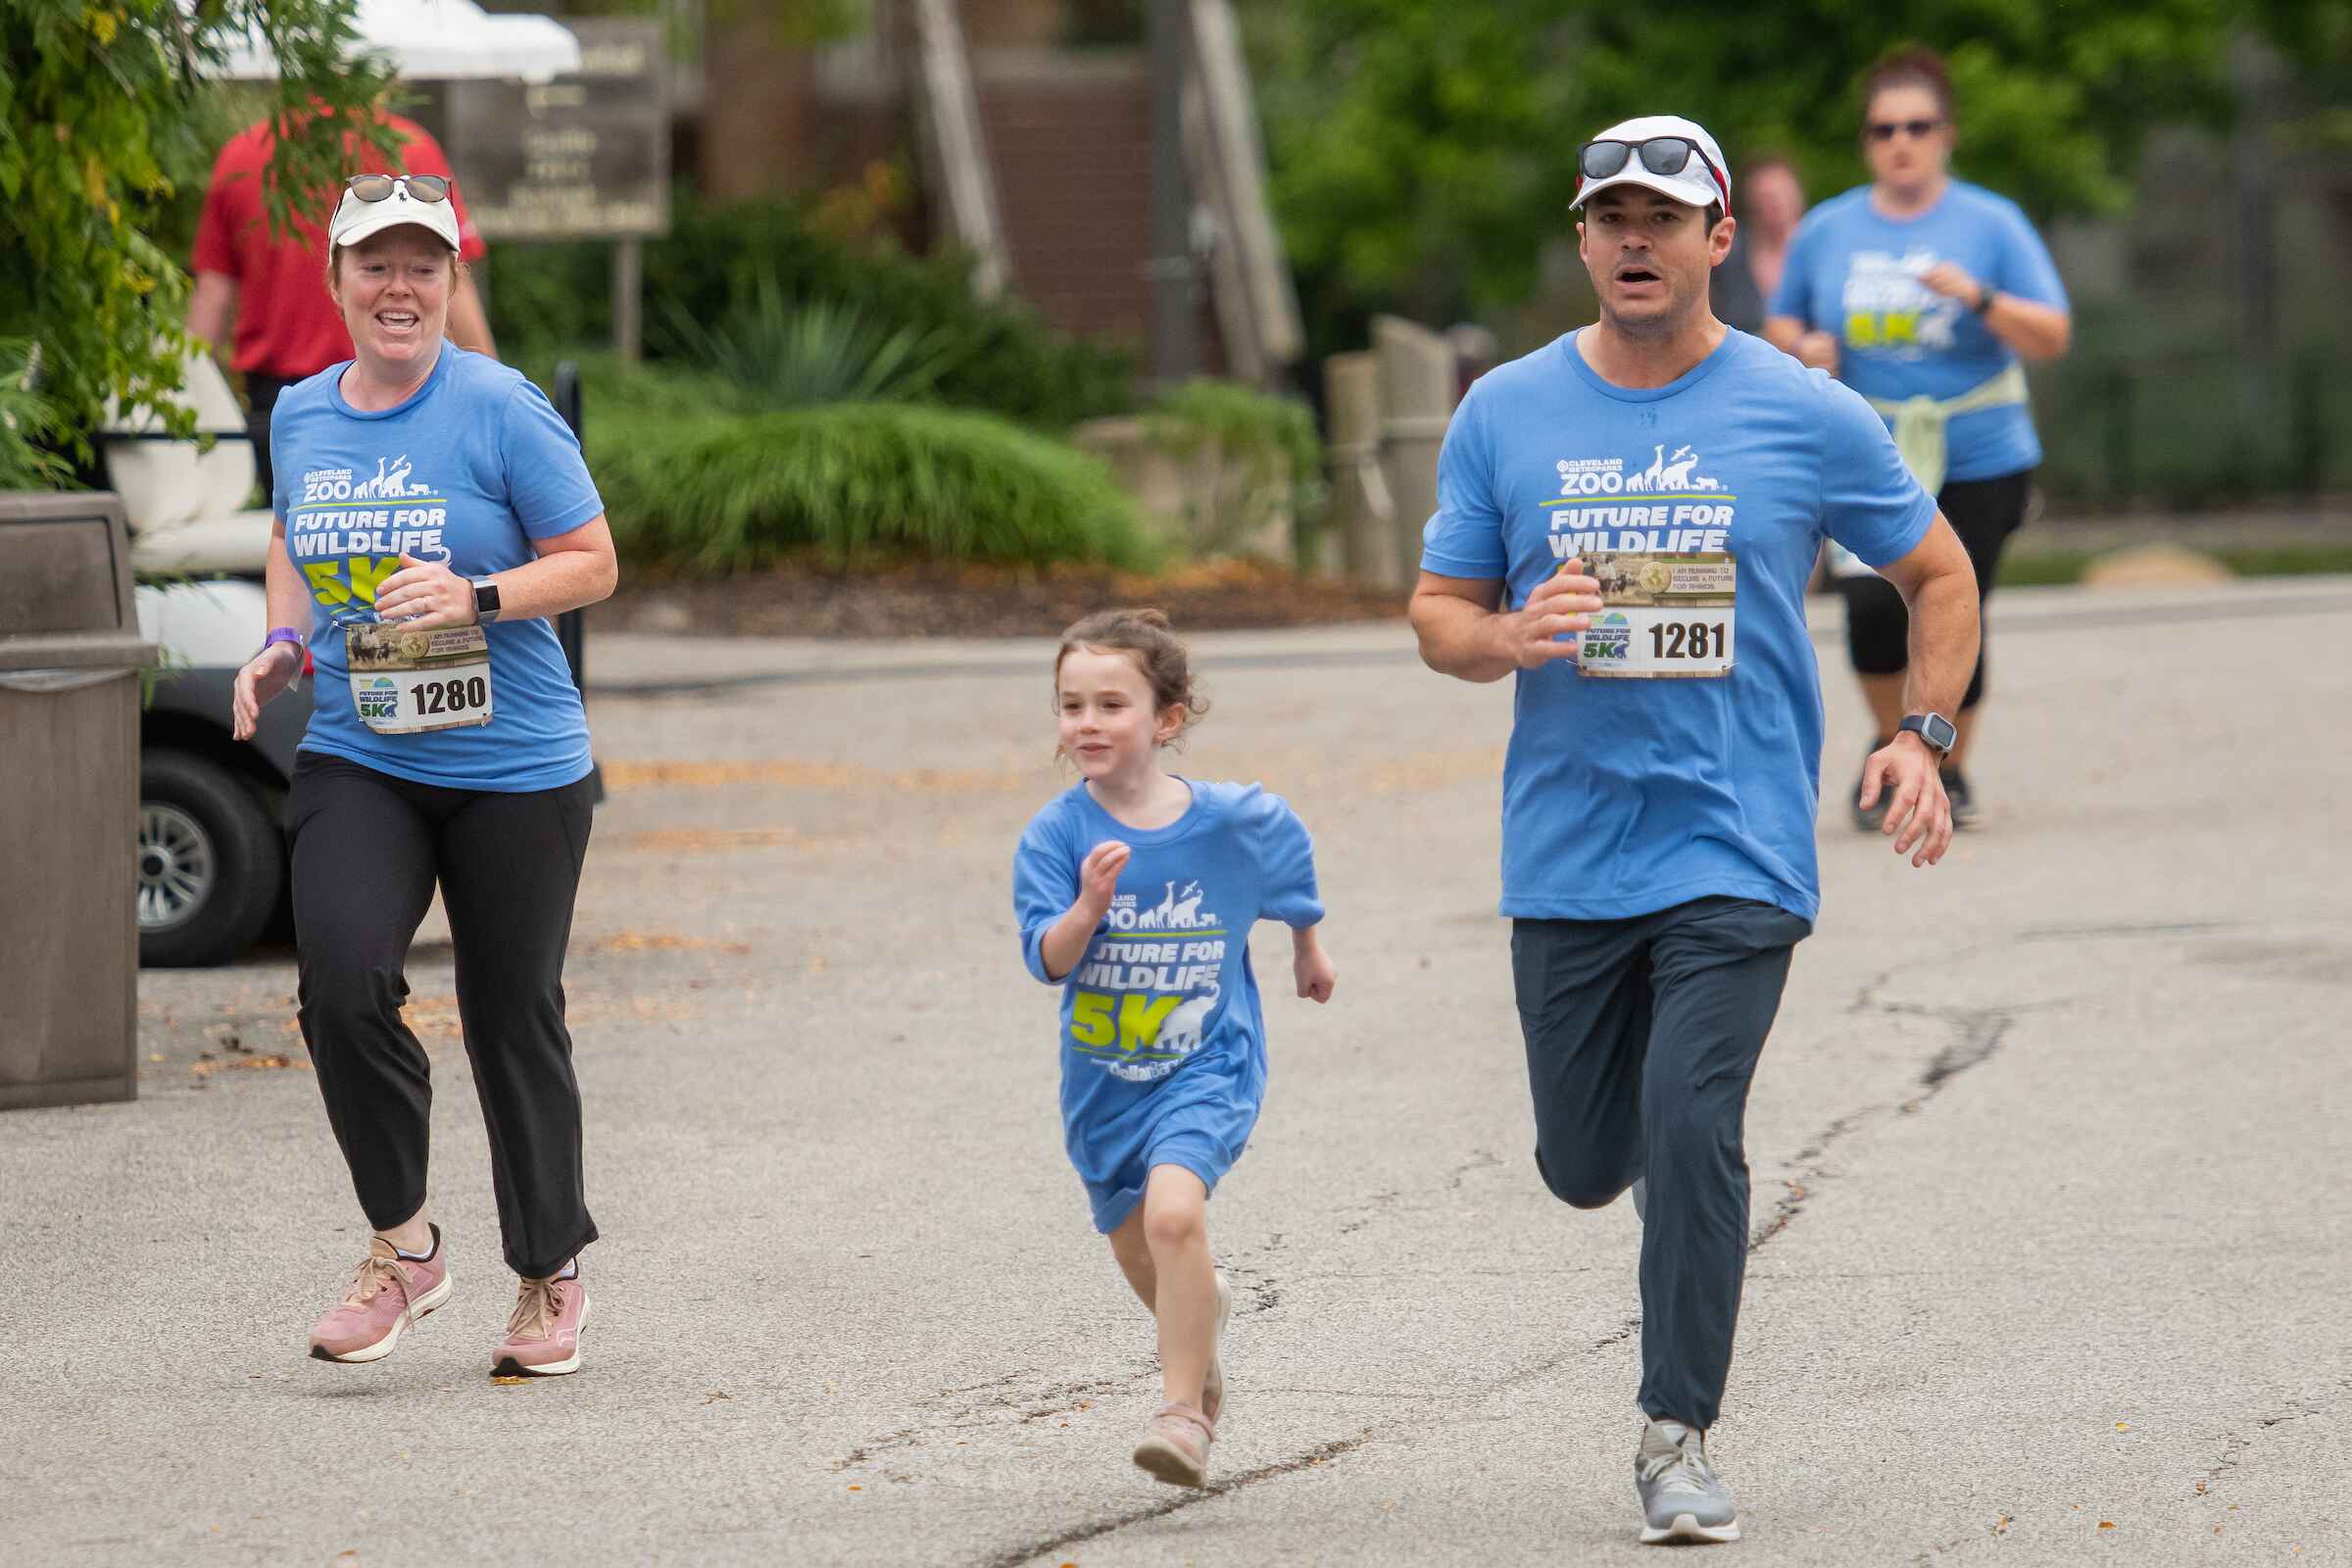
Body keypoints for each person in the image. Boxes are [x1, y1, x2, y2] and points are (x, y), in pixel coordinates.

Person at [1410, 115, 1980, 1544]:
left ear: (1720, 239)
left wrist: (1924, 737)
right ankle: (1636, 1179)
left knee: (1691, 1124)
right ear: (1583, 237)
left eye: (1665, 219)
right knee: (1584, 1160)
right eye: (1611, 218)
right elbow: (1436, 617)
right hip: (1566, 849)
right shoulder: (1507, 410)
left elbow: (1941, 573)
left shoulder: (1802, 411)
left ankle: (1677, 1432)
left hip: (1737, 844)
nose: (1635, 241)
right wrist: (1506, 635)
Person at [229, 172, 616, 1377]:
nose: (400, 288)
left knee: (512, 1015)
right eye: (376, 265)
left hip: (518, 766)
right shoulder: (301, 414)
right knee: (341, 984)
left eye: (424, 266)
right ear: (338, 281)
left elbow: (594, 562)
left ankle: (549, 1277)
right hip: (362, 748)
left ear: (452, 282)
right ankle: (406, 1248)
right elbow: (295, 533)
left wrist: (477, 594)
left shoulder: (501, 408)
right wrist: (283, 640)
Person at [1011, 610, 1337, 1489]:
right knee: (1136, 1249)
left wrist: (1307, 947)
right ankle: (1201, 1332)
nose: (1086, 722)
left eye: (1111, 703)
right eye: (1070, 704)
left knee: (1174, 1217)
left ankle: (1185, 1414)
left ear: (1167, 717)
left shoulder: (1227, 821)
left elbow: (1288, 860)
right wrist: (1086, 905)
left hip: (1208, 1062)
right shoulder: (1056, 836)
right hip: (1102, 1083)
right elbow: (1047, 958)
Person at [1765, 48, 2071, 829]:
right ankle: (1891, 743)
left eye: (1918, 126)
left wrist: (1981, 296)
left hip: (1979, 451)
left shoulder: (1991, 223)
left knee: (1956, 606)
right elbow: (1781, 323)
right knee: (1872, 610)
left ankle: (1948, 768)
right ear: (1866, 140)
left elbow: (2052, 334)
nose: (1900, 141)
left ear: (1947, 135)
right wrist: (1804, 348)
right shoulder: (1828, 228)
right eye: (1882, 129)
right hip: (1868, 451)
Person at [188, 108, 497, 507]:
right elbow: (457, 286)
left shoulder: (243, 153)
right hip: (401, 390)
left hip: (281, 399)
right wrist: (489, 386)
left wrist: (183, 407)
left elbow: (212, 297)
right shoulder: (407, 145)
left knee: (305, 538)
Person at [1709, 157, 1806, 333]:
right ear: (1751, 202)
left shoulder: (1825, 249)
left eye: (1782, 193)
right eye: (1765, 197)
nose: (1776, 204)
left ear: (1798, 194)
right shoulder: (1727, 255)